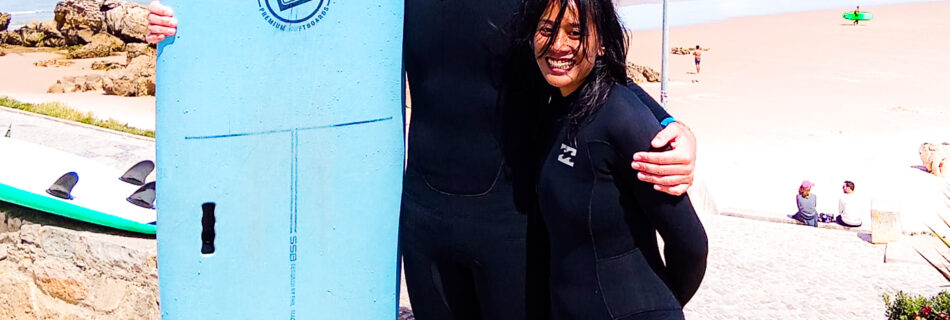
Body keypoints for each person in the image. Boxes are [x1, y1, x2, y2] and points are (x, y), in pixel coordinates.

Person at [146, 1, 700, 319]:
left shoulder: (536, 0)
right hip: (425, 225)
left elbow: (594, 69)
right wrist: (182, 21)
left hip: (513, 229)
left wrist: (672, 126)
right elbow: (281, 23)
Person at [515, 0, 708, 318]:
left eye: (575, 33)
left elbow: (691, 244)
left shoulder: (622, 118)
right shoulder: (557, 107)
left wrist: (656, 306)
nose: (558, 45)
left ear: (602, 42)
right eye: (546, 29)